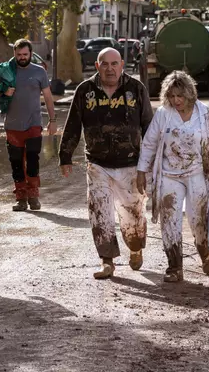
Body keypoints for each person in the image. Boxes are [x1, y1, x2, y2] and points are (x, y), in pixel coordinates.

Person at [59, 48, 154, 279]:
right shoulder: (85, 90)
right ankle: (107, 261)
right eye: (105, 64)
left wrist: (151, 163)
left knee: (133, 214)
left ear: (121, 65)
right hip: (97, 164)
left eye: (114, 64)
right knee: (99, 212)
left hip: (131, 164)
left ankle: (135, 247)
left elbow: (149, 127)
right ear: (97, 65)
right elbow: (73, 123)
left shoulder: (136, 89)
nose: (110, 68)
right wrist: (65, 155)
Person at [136, 71, 209, 283]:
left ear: (190, 95)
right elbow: (149, 143)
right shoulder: (163, 114)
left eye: (180, 96)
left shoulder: (205, 114)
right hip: (169, 175)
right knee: (169, 220)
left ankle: (203, 249)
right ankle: (174, 266)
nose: (176, 101)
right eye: (172, 96)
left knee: (199, 218)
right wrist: (142, 170)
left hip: (198, 173)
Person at [0, 39, 57, 212]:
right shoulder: (7, 70)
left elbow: (48, 97)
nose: (22, 58)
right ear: (14, 53)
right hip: (12, 126)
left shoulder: (39, 72)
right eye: (19, 55)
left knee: (33, 160)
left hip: (34, 124)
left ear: (30, 54)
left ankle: (33, 195)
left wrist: (53, 120)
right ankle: (21, 198)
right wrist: (3, 91)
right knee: (16, 162)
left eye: (25, 55)